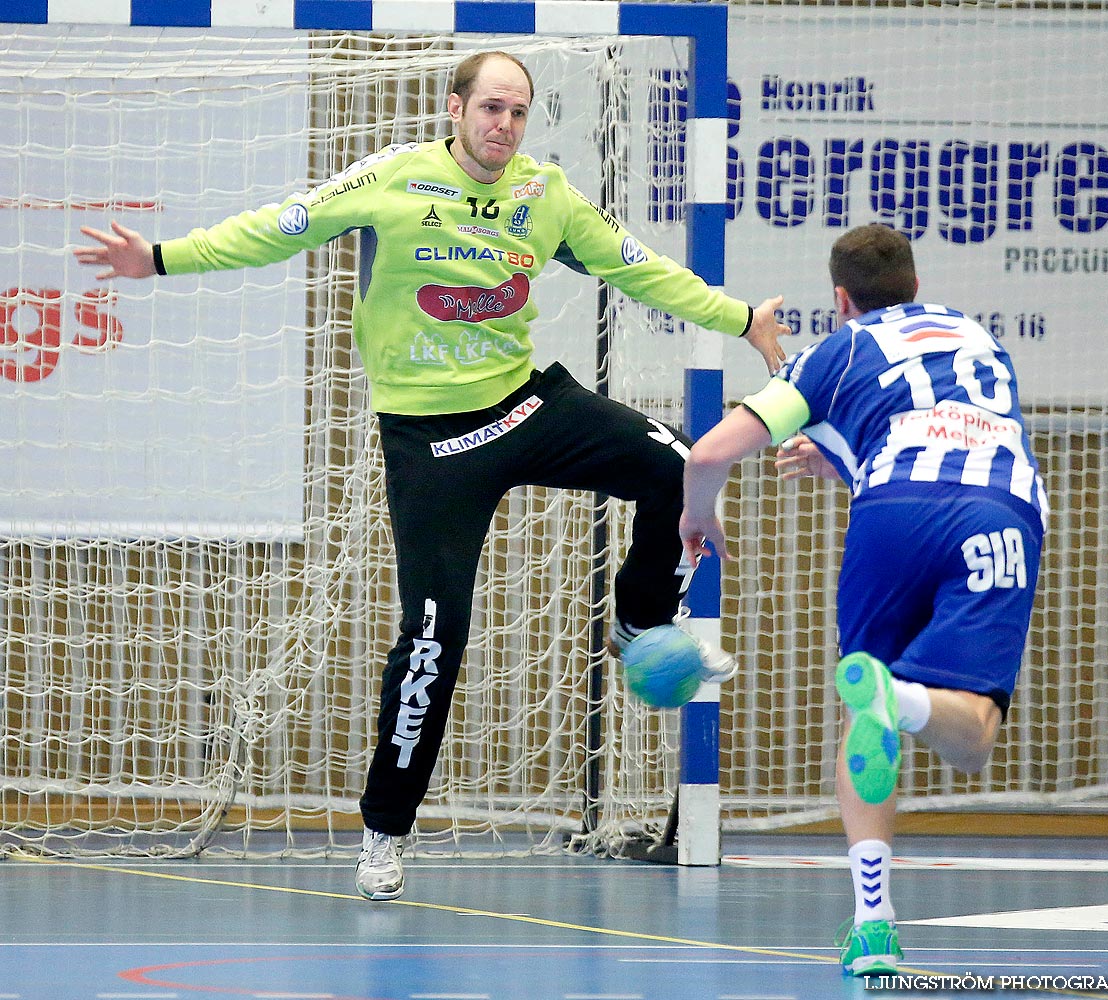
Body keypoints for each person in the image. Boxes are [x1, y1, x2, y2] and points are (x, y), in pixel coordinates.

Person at [74, 50, 789, 901]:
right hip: (429, 443)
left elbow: (635, 266)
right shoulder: (393, 178)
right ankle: (384, 829)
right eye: (491, 107)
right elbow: (280, 224)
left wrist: (740, 317)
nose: (505, 126)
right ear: (455, 108)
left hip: (526, 406)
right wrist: (159, 258)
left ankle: (637, 628)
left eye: (519, 112)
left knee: (677, 461)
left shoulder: (544, 194)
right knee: (431, 638)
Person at [678, 224, 1047, 976]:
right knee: (972, 737)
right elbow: (936, 424)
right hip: (996, 509)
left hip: (889, 516)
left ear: (840, 299)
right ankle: (906, 700)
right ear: (914, 285)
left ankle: (873, 923)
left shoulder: (834, 351)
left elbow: (711, 452)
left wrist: (695, 515)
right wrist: (842, 452)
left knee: (863, 717)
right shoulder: (975, 338)